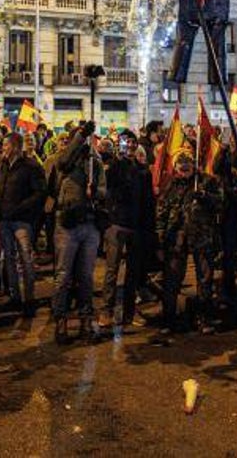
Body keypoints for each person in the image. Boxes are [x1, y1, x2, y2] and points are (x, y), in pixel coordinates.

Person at [49, 122, 104, 343]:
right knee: (63, 276)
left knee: (86, 276)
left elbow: (103, 188)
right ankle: (60, 320)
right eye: (80, 139)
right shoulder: (63, 159)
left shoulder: (94, 161)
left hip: (89, 223)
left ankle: (85, 318)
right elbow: (62, 164)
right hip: (67, 224)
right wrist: (79, 136)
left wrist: (95, 193)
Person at [156, 151, 223, 335]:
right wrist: (160, 238)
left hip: (202, 237)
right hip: (177, 238)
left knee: (204, 279)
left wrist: (205, 196)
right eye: (180, 164)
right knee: (172, 279)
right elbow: (161, 210)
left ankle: (205, 319)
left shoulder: (207, 181)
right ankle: (168, 319)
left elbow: (221, 203)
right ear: (176, 167)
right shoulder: (171, 184)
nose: (184, 168)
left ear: (194, 164)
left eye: (187, 164)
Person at [100, 131, 153, 331]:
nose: (130, 145)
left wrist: (149, 229)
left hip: (136, 227)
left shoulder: (143, 171)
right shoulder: (114, 167)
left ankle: (129, 313)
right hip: (117, 225)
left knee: (133, 273)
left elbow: (148, 202)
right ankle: (107, 310)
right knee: (112, 270)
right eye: (126, 142)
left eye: (133, 142)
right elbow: (109, 189)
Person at [0, 132, 47, 316]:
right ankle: (15, 297)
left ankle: (29, 298)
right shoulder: (1, 165)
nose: (2, 149)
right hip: (5, 220)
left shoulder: (31, 166)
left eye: (5, 145)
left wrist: (21, 208)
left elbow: (39, 193)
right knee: (9, 259)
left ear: (14, 146)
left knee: (25, 258)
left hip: (22, 221)